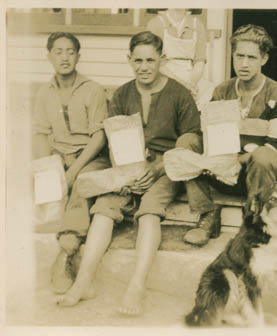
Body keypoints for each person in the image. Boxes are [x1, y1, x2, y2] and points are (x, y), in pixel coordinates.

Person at [55, 31, 206, 316]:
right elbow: (115, 135)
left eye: (150, 60)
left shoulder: (179, 94)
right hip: (127, 168)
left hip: (164, 169)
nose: (144, 66)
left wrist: (157, 167)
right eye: (137, 60)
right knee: (103, 209)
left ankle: (136, 286)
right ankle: (84, 281)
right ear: (129, 60)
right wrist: (123, 173)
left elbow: (191, 138)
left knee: (149, 211)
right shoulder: (123, 94)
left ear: (162, 59)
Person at [182, 24, 277, 246]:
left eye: (252, 57)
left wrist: (235, 162)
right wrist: (215, 160)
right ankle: (207, 214)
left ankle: (254, 221)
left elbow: (274, 148)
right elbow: (212, 138)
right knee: (187, 143)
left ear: (264, 59)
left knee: (263, 155)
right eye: (239, 56)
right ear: (232, 55)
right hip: (221, 173)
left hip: (256, 178)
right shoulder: (222, 91)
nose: (244, 64)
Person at [32, 32, 110, 294]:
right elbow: (41, 134)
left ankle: (68, 249)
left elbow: (99, 137)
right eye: (58, 51)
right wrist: (48, 168)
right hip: (58, 157)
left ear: (78, 56)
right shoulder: (44, 93)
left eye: (70, 52)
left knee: (82, 184)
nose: (64, 57)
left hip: (90, 157)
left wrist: (73, 171)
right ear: (49, 56)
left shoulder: (93, 89)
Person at [146, 8, 214, 108]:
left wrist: (193, 85)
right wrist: (184, 85)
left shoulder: (197, 25)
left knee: (209, 91)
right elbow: (156, 63)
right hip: (164, 73)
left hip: (191, 74)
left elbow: (199, 61)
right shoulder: (155, 24)